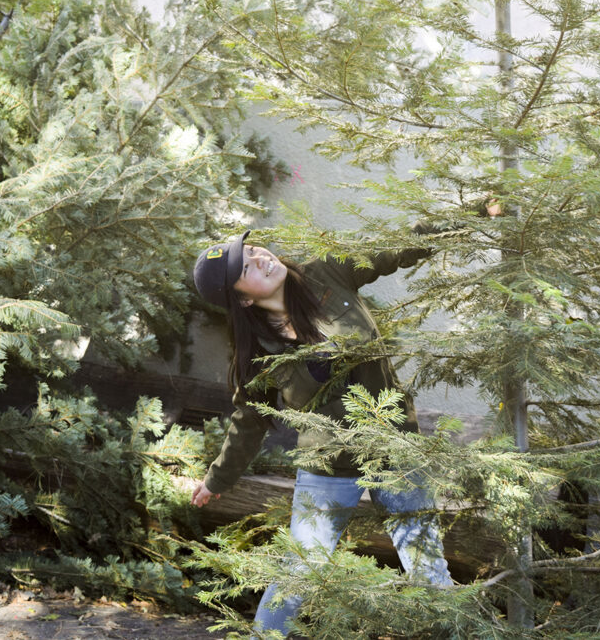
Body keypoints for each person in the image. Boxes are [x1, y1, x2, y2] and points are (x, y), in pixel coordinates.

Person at [190, 227, 454, 638]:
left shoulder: (327, 273)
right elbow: (249, 420)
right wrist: (217, 479)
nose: (260, 257)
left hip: (397, 447)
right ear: (242, 298)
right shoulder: (257, 352)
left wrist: (470, 217)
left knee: (427, 568)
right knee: (300, 571)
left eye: (254, 249)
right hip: (328, 466)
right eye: (246, 266)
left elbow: (392, 246)